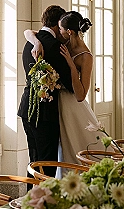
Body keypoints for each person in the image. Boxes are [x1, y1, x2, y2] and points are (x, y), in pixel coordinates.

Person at [24, 11, 104, 164]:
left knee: (74, 147)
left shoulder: (86, 56)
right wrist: (36, 42)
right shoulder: (62, 43)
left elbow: (81, 95)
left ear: (69, 32)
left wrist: (71, 65)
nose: (57, 31)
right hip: (55, 105)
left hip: (71, 105)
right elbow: (29, 32)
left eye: (60, 28)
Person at [17, 5, 73, 178]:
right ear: (58, 24)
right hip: (45, 115)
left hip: (27, 110)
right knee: (46, 165)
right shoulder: (56, 47)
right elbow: (71, 85)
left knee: (33, 162)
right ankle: (42, 203)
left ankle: (30, 202)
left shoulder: (31, 42)